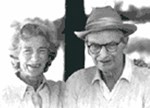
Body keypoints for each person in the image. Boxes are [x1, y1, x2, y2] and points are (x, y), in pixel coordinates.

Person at [64, 6, 150, 108]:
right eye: (95, 46)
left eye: (111, 45)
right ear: (87, 46)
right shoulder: (76, 82)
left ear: (125, 42)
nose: (103, 55)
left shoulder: (146, 81)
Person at [0, 18, 64, 108]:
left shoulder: (60, 91)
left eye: (41, 51)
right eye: (27, 51)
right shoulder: (3, 95)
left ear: (49, 55)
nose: (35, 58)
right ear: (16, 55)